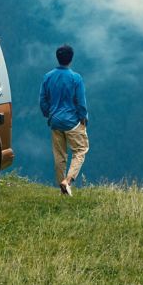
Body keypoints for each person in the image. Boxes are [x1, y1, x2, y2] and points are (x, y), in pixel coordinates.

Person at [39, 44, 89, 197]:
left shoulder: (48, 77)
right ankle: (67, 181)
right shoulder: (76, 78)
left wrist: (49, 114)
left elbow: (43, 100)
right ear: (71, 59)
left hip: (55, 121)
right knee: (80, 150)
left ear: (57, 58)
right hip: (72, 122)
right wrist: (84, 118)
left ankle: (62, 190)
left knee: (59, 156)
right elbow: (81, 102)